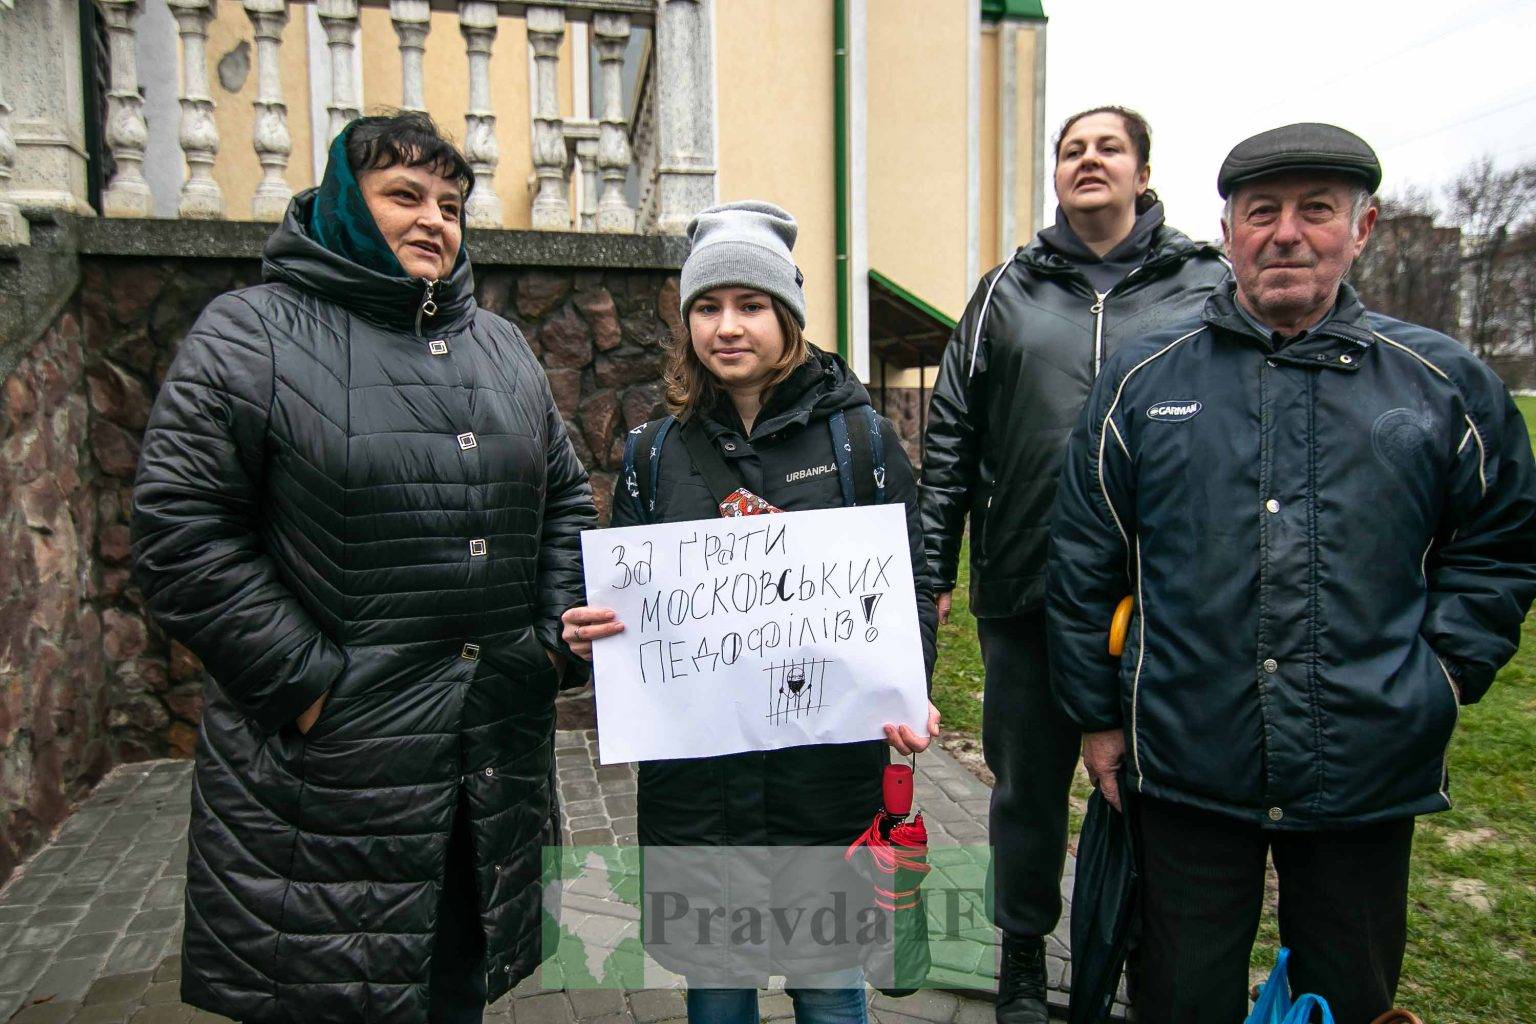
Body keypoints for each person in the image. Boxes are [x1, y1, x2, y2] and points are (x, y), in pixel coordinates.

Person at [1047, 123, 1536, 1024]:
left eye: (1316, 210)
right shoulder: (1143, 380)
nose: (1286, 234)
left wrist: (1442, 673)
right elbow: (1084, 553)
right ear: (1227, 231)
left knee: (1346, 999)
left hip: (1366, 761)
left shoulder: (1443, 385)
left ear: (1363, 228)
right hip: (1187, 760)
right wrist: (1098, 718)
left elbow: (1500, 542)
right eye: (1261, 212)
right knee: (1179, 996)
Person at [131, 112, 595, 1024]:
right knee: (327, 991)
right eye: (404, 196)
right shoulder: (250, 335)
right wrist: (307, 687)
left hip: (483, 767)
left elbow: (567, 500)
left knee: (453, 988)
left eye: (451, 205)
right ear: (347, 203)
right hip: (326, 779)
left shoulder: (502, 347)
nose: (434, 220)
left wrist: (549, 644)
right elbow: (181, 532)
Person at [560, 200, 941, 1023]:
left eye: (751, 304)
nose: (727, 326)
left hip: (824, 776)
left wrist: (910, 689)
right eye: (707, 306)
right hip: (700, 786)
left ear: (788, 316)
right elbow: (633, 600)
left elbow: (907, 583)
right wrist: (598, 633)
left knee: (828, 982)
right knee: (717, 985)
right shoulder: (653, 451)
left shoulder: (860, 441)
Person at [918, 106, 1228, 1022]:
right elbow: (951, 437)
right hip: (1026, 589)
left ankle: (1147, 959)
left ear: (1143, 173)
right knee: (1027, 791)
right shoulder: (1004, 292)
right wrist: (932, 572)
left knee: (1161, 791)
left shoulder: (1206, 283)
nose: (1088, 160)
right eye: (1071, 149)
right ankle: (1022, 954)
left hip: (1167, 596)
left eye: (1109, 148)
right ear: (1056, 174)